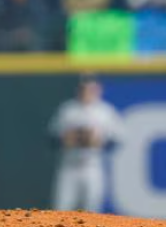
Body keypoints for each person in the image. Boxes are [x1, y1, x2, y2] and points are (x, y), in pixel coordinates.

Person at [48, 76, 124, 212]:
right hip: (69, 166)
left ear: (98, 90)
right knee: (61, 209)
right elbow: (52, 137)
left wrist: (100, 141)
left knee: (92, 210)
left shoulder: (105, 111)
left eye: (91, 89)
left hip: (93, 166)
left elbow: (117, 139)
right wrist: (65, 139)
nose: (87, 92)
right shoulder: (68, 110)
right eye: (84, 88)